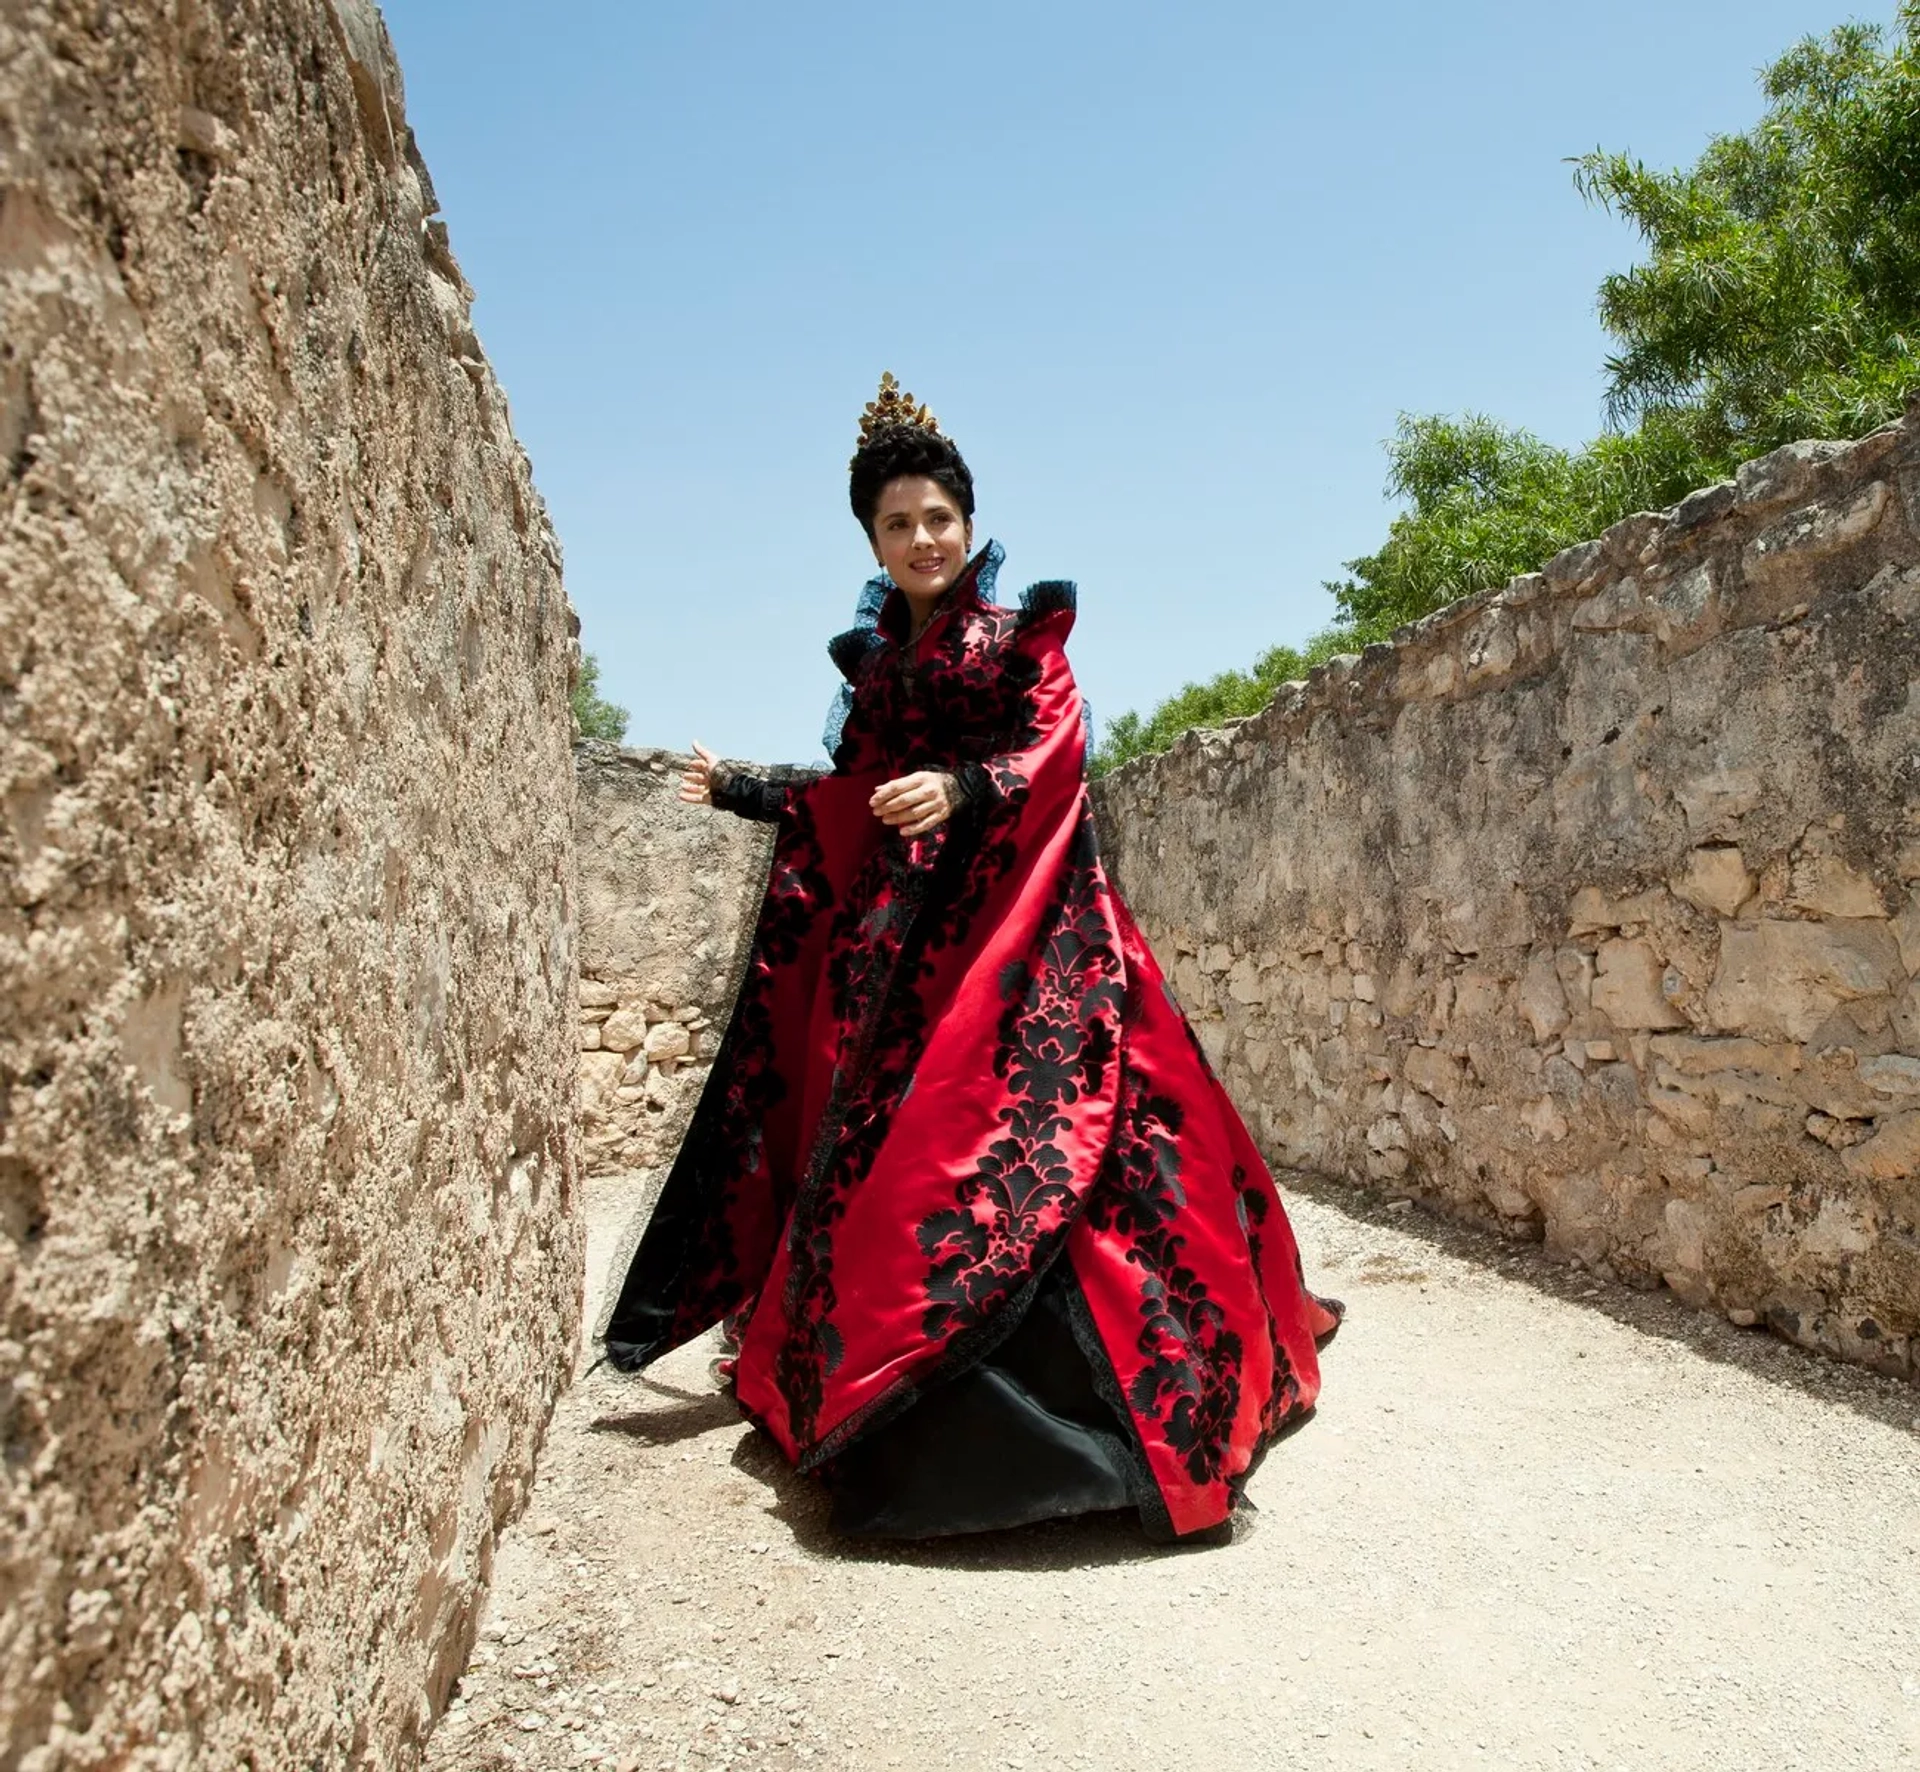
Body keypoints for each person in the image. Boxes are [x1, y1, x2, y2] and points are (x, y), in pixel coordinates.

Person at [601, 374, 1340, 1540]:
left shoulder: (1017, 642)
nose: (921, 538)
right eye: (896, 524)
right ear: (873, 542)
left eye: (936, 516)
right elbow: (852, 797)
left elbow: (1055, 753)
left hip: (1032, 935)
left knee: (1055, 1139)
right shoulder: (878, 668)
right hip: (902, 962)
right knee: (901, 1169)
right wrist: (743, 786)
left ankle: (1108, 1429)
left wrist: (958, 786)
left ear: (966, 519)